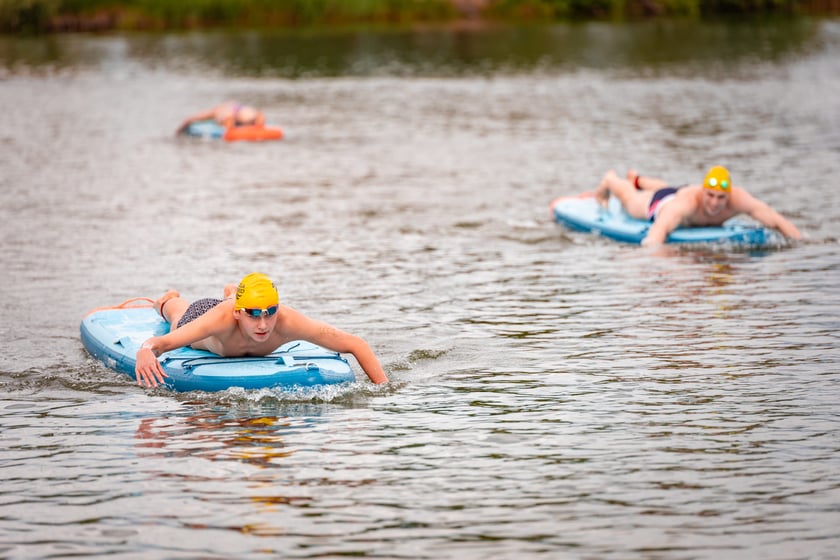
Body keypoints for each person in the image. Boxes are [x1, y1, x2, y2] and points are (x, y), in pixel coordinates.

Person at [135, 273, 388, 387]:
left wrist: (383, 392)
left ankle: (233, 292)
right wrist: (146, 349)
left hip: (236, 305)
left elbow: (356, 344)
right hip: (205, 313)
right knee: (177, 314)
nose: (264, 325)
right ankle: (166, 299)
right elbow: (162, 343)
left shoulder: (287, 320)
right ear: (239, 313)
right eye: (254, 315)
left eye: (270, 312)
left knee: (257, 308)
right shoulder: (220, 320)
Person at [593, 166, 802, 247]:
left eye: (721, 198)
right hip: (663, 204)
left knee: (669, 188)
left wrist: (800, 243)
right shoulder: (688, 202)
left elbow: (775, 219)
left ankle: (638, 179)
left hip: (677, 192)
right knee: (630, 199)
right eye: (710, 195)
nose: (714, 203)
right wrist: (656, 259)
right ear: (702, 192)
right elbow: (659, 230)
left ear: (728, 195)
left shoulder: (739, 198)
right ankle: (611, 179)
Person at [176, 101, 265, 134]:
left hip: (231, 113)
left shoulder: (216, 111)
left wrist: (179, 132)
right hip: (242, 110)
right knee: (251, 115)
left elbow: (190, 119)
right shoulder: (246, 111)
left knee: (227, 118)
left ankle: (231, 123)